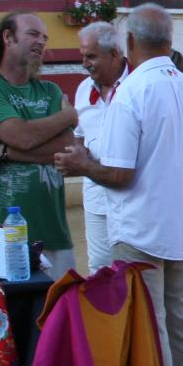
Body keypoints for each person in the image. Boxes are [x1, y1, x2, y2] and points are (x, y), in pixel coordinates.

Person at [54, 3, 183, 366]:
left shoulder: (132, 94)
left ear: (128, 43)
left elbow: (119, 174)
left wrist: (83, 165)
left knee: (151, 328)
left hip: (141, 229)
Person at [0, 12, 78, 277]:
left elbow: (66, 148)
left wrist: (2, 152)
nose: (42, 42)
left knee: (60, 304)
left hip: (53, 232)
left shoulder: (50, 91)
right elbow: (22, 136)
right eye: (33, 34)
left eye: (45, 38)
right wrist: (67, 116)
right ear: (7, 37)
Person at [72, 21, 129, 271]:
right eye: (83, 56)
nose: (84, 63)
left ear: (114, 53)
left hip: (134, 197)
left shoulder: (139, 86)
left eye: (91, 56)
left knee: (136, 269)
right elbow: (78, 135)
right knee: (99, 268)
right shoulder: (83, 90)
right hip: (97, 197)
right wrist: (79, 153)